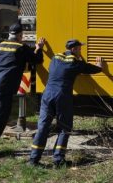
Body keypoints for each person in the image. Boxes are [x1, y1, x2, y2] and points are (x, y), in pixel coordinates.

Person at [29, 39, 103, 167]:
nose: (81, 51)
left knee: (43, 127)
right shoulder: (74, 63)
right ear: (73, 49)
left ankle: (33, 159)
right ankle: (58, 159)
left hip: (47, 95)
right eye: (79, 49)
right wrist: (99, 67)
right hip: (62, 96)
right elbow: (90, 69)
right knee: (64, 127)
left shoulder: (55, 58)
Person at [0, 23, 45, 158]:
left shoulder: (2, 45)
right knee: (0, 118)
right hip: (5, 86)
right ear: (20, 35)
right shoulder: (22, 48)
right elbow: (37, 60)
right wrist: (39, 48)